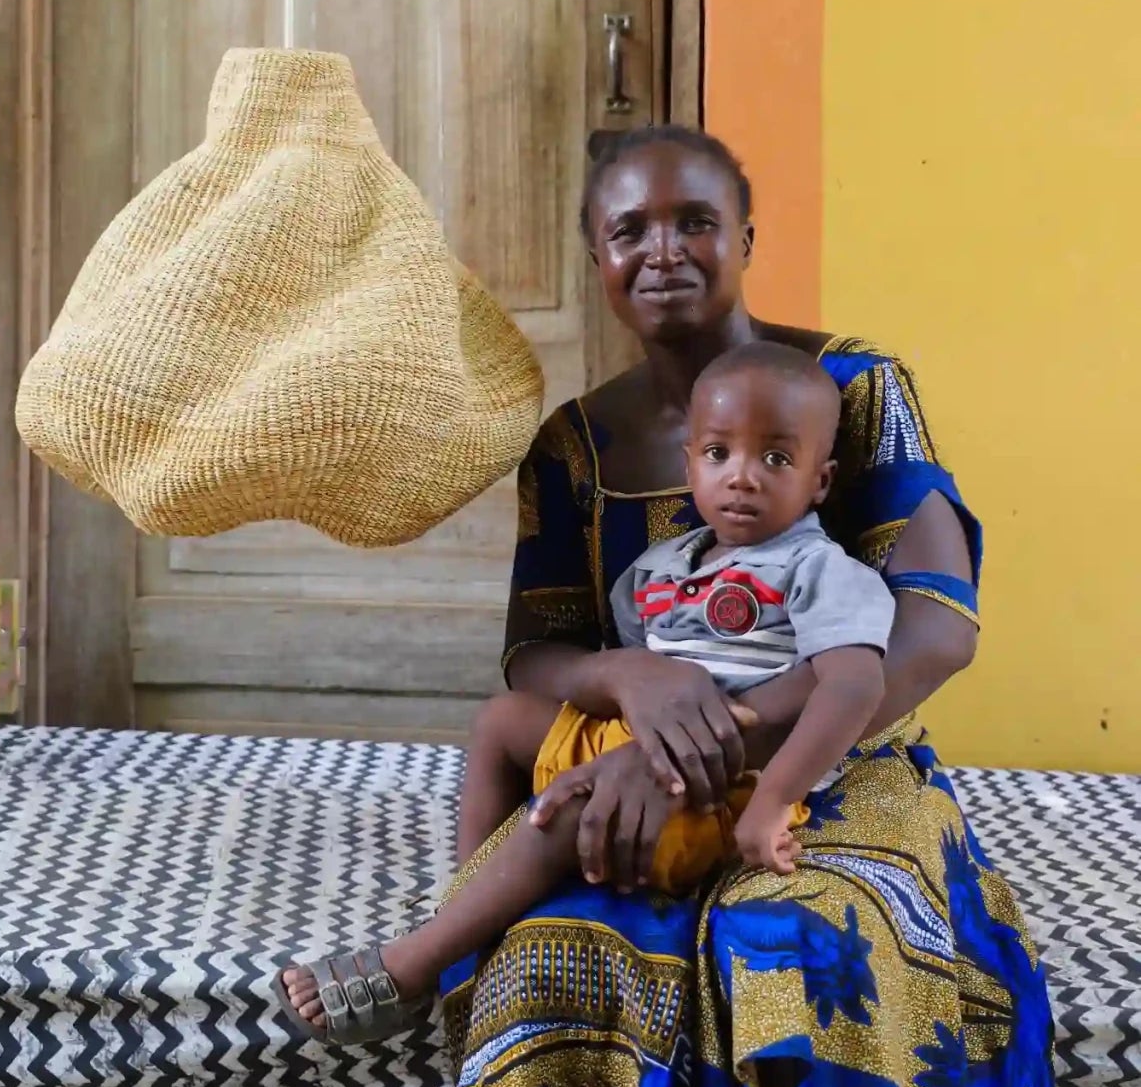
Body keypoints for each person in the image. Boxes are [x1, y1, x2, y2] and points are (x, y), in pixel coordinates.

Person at [434, 127, 1055, 1087]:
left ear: (747, 239)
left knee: (794, 944)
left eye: (695, 222)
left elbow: (935, 625)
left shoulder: (851, 387)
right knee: (556, 945)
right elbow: (537, 654)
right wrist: (630, 675)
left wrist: (701, 744)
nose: (663, 250)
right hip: (632, 770)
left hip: (833, 767)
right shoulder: (572, 447)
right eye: (629, 229)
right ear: (593, 253)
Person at [276, 342, 896, 1041]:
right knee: (503, 722)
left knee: (565, 812)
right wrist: (614, 708)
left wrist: (776, 800)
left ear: (820, 480)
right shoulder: (658, 569)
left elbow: (853, 682)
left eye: (776, 459)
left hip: (724, 784)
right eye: (718, 454)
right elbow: (626, 677)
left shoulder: (818, 570)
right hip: (638, 744)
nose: (742, 477)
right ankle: (468, 908)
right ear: (688, 464)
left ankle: (411, 968)